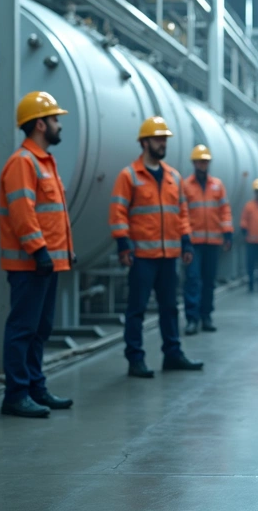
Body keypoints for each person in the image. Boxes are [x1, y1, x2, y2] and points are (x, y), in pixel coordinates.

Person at [0, 92, 76, 418]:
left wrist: (65, 252)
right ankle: (16, 395)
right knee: (23, 330)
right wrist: (39, 250)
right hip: (30, 263)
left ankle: (35, 388)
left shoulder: (44, 161)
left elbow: (53, 215)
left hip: (46, 263)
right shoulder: (23, 162)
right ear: (40, 124)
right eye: (55, 119)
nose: (60, 125)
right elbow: (22, 212)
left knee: (39, 330)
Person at [109, 117, 204, 378]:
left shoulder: (174, 177)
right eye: (158, 139)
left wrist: (186, 242)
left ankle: (173, 354)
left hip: (168, 255)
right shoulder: (129, 176)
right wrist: (123, 244)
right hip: (141, 256)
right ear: (144, 142)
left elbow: (181, 213)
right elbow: (118, 212)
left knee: (170, 308)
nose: (163, 143)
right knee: (137, 310)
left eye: (164, 139)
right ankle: (135, 359)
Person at [182, 144, 234, 335]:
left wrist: (227, 233)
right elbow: (182, 213)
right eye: (199, 161)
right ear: (194, 163)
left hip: (213, 242)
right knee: (193, 280)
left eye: (205, 161)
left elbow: (225, 210)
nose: (202, 164)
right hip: (194, 243)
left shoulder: (217, 185)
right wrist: (184, 238)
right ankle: (192, 319)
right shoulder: (186, 186)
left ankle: (206, 316)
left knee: (209, 281)